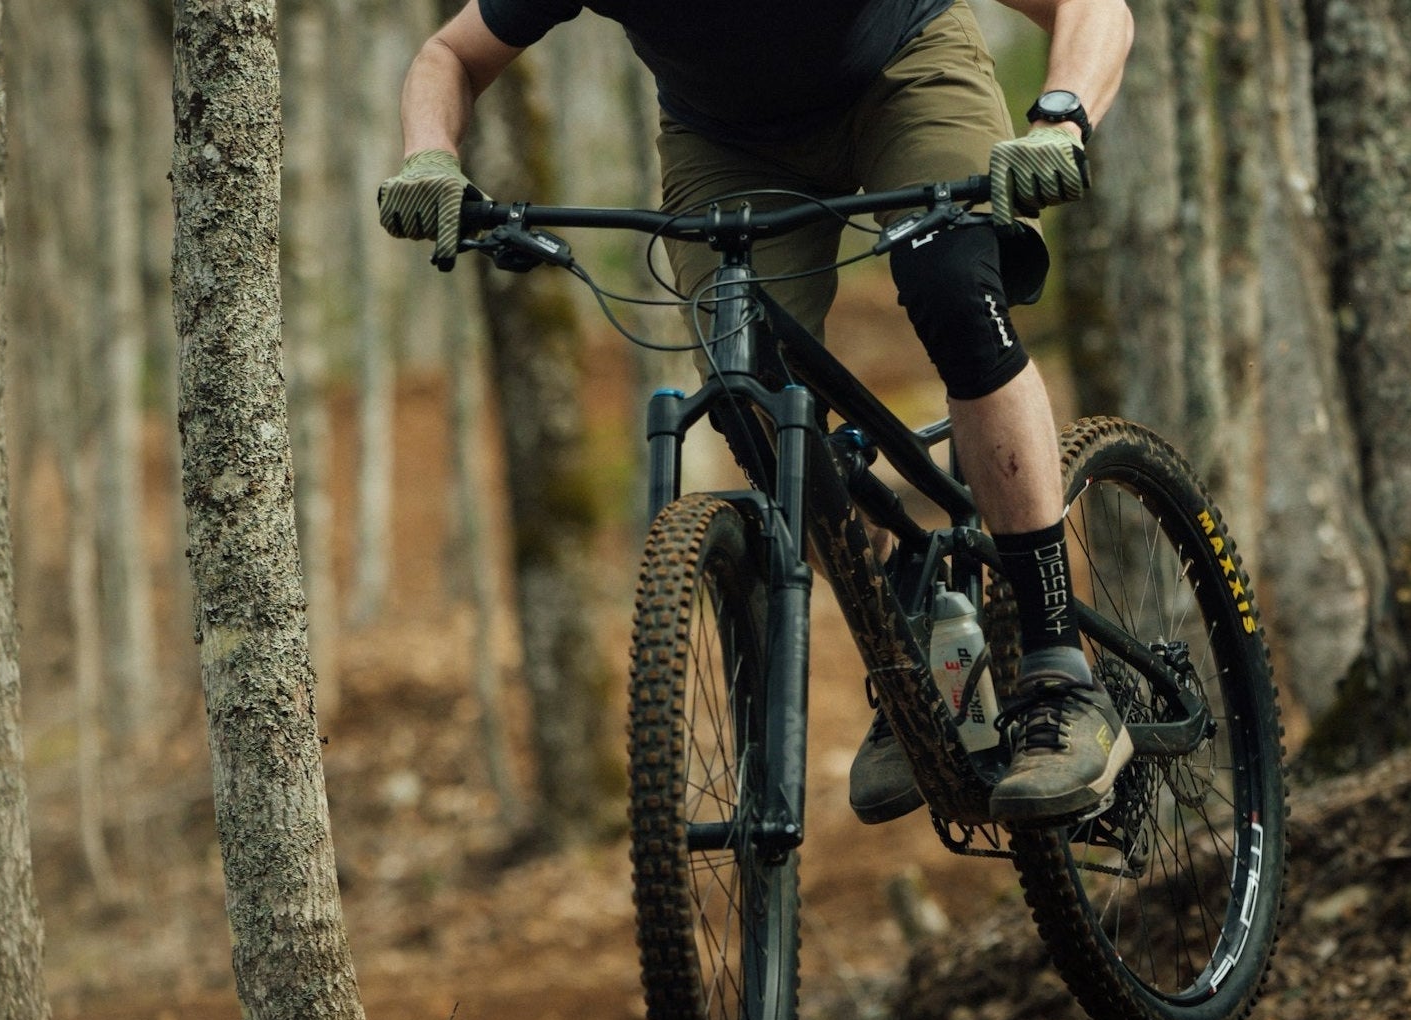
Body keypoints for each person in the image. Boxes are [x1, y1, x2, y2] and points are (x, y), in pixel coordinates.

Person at [379, 0, 1136, 827]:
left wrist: (1061, 118)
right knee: (753, 398)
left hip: (905, 72)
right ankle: (904, 643)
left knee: (956, 296)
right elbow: (451, 54)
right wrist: (430, 156)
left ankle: (1061, 668)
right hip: (726, 142)